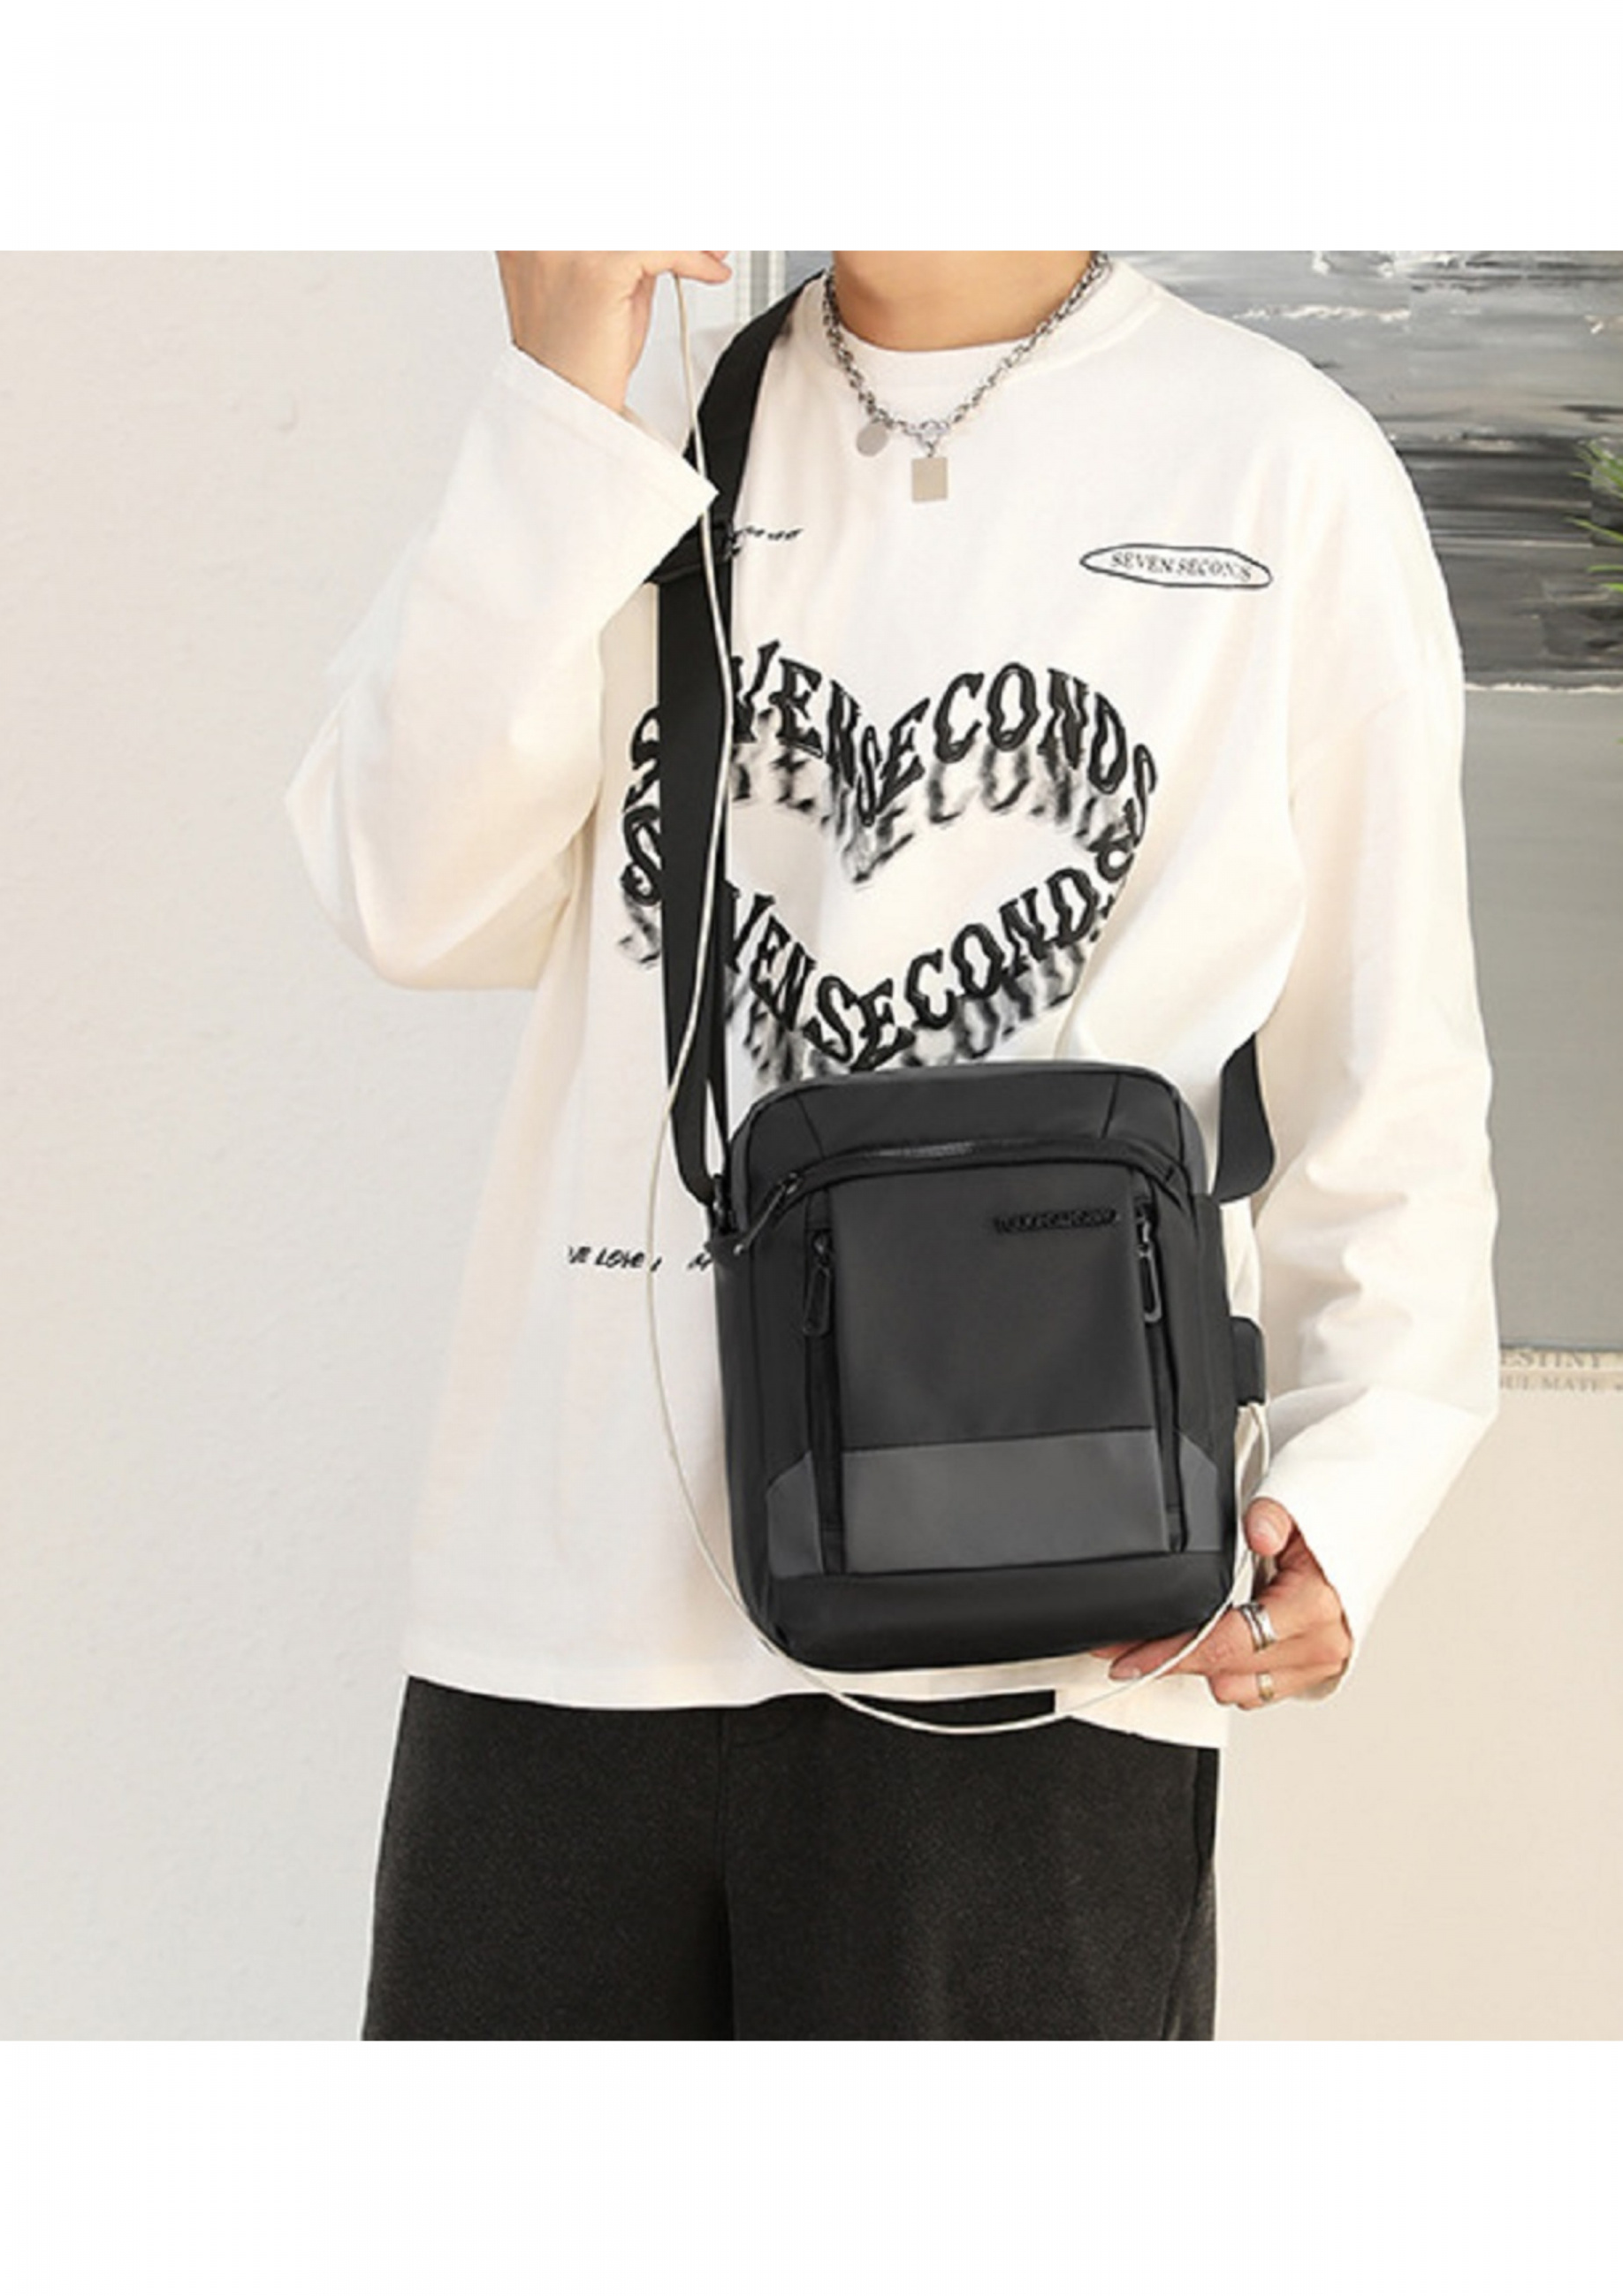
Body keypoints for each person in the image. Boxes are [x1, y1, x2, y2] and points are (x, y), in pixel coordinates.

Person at [286, 250, 1500, 2040]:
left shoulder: (1277, 463)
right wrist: (554, 389)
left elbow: (1387, 1070)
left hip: (1046, 1622)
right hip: (572, 1597)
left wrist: (1343, 1493)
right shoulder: (639, 423)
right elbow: (408, 896)